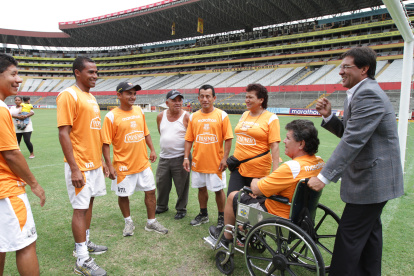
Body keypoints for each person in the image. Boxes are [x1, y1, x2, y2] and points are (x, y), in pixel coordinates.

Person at [307, 47, 404, 276]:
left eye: (345, 67)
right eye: (340, 67)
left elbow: (353, 140)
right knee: (370, 236)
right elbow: (352, 132)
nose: (340, 72)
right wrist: (329, 117)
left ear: (364, 69)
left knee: (348, 237)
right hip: (374, 179)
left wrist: (323, 176)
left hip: (372, 180)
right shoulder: (360, 91)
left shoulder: (368, 93)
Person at [209, 120, 324, 246]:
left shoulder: (292, 167)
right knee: (254, 196)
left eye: (288, 138)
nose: (284, 141)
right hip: (301, 216)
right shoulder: (319, 162)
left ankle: (227, 238)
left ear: (301, 144)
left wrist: (255, 181)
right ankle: (246, 233)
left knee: (233, 196)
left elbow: (257, 189)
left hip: (277, 215)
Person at [57, 56, 108, 276]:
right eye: (91, 72)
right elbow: (63, 133)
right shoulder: (68, 95)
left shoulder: (90, 96)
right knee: (80, 209)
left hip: (94, 163)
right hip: (80, 165)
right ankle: (81, 259)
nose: (95, 76)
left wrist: (103, 162)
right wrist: (75, 168)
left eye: (96, 72)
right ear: (78, 73)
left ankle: (85, 243)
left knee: (89, 204)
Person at [102, 82, 168, 237]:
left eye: (134, 94)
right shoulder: (111, 116)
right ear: (119, 95)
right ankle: (128, 222)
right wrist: (108, 165)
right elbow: (105, 143)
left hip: (143, 163)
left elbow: (145, 132)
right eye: (128, 93)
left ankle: (151, 222)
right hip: (123, 166)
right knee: (123, 195)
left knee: (151, 191)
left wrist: (151, 149)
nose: (132, 97)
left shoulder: (139, 110)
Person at [0, 54, 45, 276]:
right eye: (13, 74)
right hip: (7, 190)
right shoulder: (1, 110)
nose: (19, 79)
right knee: (26, 244)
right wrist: (35, 184)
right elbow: (11, 154)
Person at [183, 84, 233, 228]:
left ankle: (222, 217)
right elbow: (189, 139)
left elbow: (228, 138)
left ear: (214, 98)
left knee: (218, 190)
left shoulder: (222, 115)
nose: (205, 99)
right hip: (198, 162)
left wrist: (225, 158)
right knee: (201, 189)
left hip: (216, 163)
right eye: (202, 96)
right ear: (198, 98)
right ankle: (203, 214)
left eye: (208, 96)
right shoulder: (193, 117)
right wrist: (186, 157)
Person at [227, 83, 281, 196]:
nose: (247, 100)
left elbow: (275, 146)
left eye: (250, 97)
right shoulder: (244, 114)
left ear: (261, 100)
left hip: (258, 170)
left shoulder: (271, 118)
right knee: (232, 199)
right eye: (246, 97)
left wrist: (275, 173)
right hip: (239, 167)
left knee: (252, 205)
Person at [155, 89, 191, 220]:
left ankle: (181, 208)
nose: (178, 103)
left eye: (180, 100)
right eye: (174, 100)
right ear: (166, 102)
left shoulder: (186, 116)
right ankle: (161, 206)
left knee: (181, 185)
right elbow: (162, 132)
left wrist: (186, 157)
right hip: (164, 157)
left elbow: (190, 138)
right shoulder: (160, 116)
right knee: (161, 183)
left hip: (181, 157)